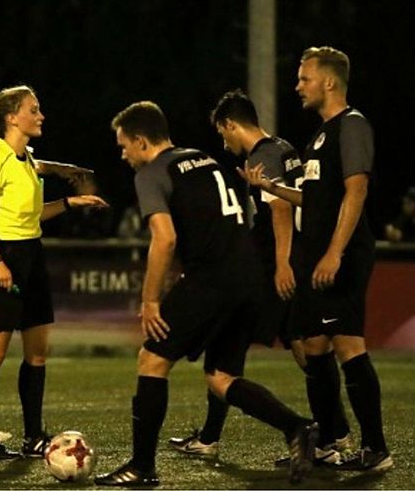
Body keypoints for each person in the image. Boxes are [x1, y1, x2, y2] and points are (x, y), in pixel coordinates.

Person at [95, 101, 318, 487]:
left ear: (141, 141)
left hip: (212, 278)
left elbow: (164, 239)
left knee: (152, 359)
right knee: (221, 377)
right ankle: (296, 426)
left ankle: (141, 467)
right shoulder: (203, 158)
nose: (122, 154)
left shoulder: (152, 173)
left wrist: (150, 300)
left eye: (124, 145)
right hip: (248, 275)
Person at [167, 90, 354, 465]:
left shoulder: (261, 156)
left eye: (223, 134)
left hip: (272, 265)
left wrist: (282, 264)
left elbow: (280, 209)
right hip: (292, 258)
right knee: (305, 347)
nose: (224, 143)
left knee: (227, 348)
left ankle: (317, 434)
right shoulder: (283, 147)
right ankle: (335, 435)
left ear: (230, 124)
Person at [241, 46, 392, 471]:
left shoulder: (352, 124)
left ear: (328, 81)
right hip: (316, 255)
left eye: (304, 78)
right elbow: (315, 198)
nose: (298, 86)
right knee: (312, 345)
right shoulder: (320, 136)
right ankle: (327, 443)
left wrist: (334, 253)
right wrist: (272, 187)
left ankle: (376, 450)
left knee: (347, 343)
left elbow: (356, 190)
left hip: (341, 254)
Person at [0, 85, 108, 460]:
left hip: (32, 254)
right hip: (5, 256)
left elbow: (33, 215)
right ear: (12, 117)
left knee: (38, 353)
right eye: (34, 109)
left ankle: (33, 437)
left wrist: (71, 203)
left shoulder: (25, 159)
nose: (41, 115)